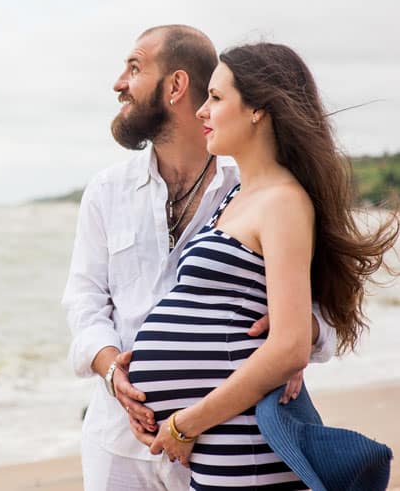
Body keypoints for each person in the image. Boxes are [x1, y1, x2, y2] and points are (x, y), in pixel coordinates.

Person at [62, 25, 336, 491]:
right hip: (121, 440)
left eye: (134, 68)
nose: (118, 84)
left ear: (175, 86)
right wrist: (112, 370)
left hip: (224, 434)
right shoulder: (107, 191)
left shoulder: (252, 186)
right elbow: (84, 299)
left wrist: (296, 335)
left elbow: (322, 311)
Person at [126, 42, 399, 489]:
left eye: (215, 97)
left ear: (257, 109)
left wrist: (185, 423)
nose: (201, 111)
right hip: (224, 445)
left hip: (245, 447)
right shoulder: (236, 198)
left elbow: (289, 348)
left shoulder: (283, 202)